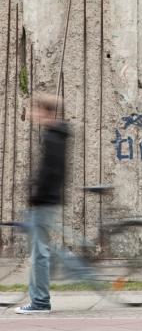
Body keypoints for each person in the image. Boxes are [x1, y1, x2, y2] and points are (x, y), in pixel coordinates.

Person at [15, 94, 70, 314]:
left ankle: (40, 302)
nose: (34, 115)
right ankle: (39, 299)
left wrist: (36, 195)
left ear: (46, 112)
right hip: (48, 199)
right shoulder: (58, 134)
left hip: (44, 201)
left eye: (37, 111)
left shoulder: (52, 137)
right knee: (42, 251)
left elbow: (51, 172)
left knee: (39, 253)